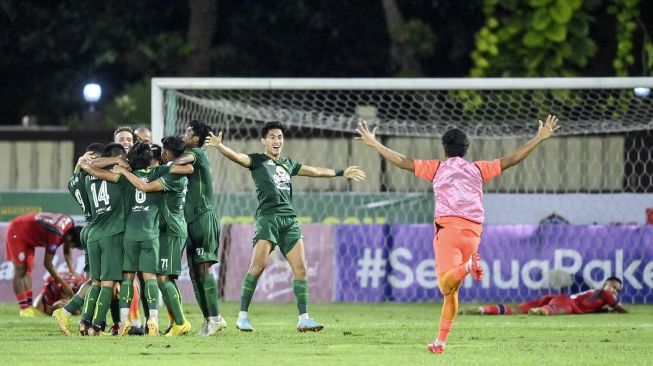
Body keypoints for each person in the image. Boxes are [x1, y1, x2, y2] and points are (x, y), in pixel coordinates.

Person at [355, 115, 560, 354]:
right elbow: (512, 160)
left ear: (444, 149)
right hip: (473, 233)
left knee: (444, 285)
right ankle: (440, 342)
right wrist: (539, 138)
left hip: (448, 230)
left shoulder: (437, 168)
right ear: (466, 149)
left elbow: (402, 161)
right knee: (452, 292)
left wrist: (375, 143)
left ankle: (466, 267)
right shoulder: (478, 169)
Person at [205, 121, 365, 332]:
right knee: (258, 266)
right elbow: (238, 157)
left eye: (279, 137)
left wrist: (340, 172)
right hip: (268, 219)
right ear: (264, 141)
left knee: (301, 269)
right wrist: (219, 146)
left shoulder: (289, 163)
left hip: (289, 220)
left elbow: (315, 171)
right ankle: (242, 316)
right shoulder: (258, 160)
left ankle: (304, 318)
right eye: (272, 137)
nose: (276, 140)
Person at [114, 136, 193, 336]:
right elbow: (189, 168)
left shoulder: (163, 176)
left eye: (164, 153)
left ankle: (178, 322)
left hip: (169, 231)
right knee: (157, 278)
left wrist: (122, 167)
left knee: (158, 278)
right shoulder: (163, 171)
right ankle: (158, 320)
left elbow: (144, 186)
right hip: (156, 232)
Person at [173, 119, 226, 336]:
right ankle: (208, 319)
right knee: (194, 273)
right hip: (191, 222)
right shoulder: (191, 158)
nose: (184, 135)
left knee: (204, 269)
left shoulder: (198, 153)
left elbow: (185, 159)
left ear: (196, 138)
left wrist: (167, 162)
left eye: (187, 132)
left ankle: (215, 317)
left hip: (204, 218)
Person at [79, 143, 134, 336]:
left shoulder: (88, 179)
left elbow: (91, 166)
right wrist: (120, 163)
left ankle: (84, 323)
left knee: (95, 282)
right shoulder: (119, 179)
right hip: (112, 235)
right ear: (117, 158)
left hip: (93, 234)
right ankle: (96, 326)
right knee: (108, 284)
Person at [53, 142, 105, 336]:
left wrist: (78, 165)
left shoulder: (75, 180)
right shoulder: (95, 178)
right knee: (103, 281)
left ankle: (86, 322)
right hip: (101, 230)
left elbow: (75, 177)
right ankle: (68, 313)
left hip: (89, 227)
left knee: (94, 279)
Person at [5, 212, 82, 317]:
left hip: (29, 233)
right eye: (74, 246)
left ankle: (28, 307)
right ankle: (24, 309)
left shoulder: (70, 224)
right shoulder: (56, 234)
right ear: (69, 238)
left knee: (28, 270)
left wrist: (71, 270)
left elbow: (66, 249)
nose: (72, 248)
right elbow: (48, 264)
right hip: (18, 231)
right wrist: (64, 284)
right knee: (20, 270)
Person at [460, 277, 628, 316]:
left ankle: (483, 309)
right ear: (606, 284)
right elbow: (619, 308)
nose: (614, 291)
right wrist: (624, 311)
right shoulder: (605, 294)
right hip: (566, 303)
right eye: (614, 287)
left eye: (617, 290)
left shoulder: (596, 294)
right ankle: (541, 311)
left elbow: (594, 308)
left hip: (559, 297)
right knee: (554, 311)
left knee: (516, 310)